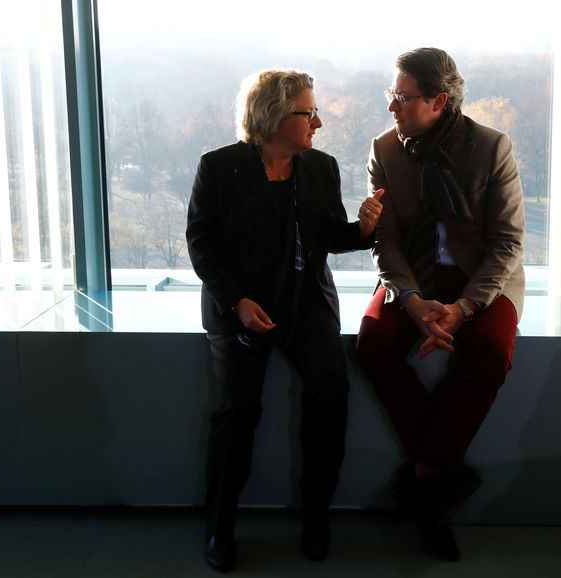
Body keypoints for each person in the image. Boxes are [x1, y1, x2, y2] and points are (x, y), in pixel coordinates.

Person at [186, 69, 383, 572]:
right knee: (237, 413)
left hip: (305, 302)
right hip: (240, 307)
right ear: (273, 115)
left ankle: (317, 517)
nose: (318, 121)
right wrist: (237, 303)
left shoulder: (320, 167)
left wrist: (362, 230)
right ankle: (220, 528)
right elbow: (202, 245)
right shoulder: (219, 167)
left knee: (330, 393)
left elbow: (328, 238)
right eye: (308, 112)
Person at [355, 47, 525, 562]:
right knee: (373, 344)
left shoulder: (491, 147)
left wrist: (466, 308)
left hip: (481, 280)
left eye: (401, 98)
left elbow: (508, 242)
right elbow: (385, 241)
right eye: (392, 95)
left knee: (490, 354)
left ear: (439, 101)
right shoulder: (385, 149)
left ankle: (427, 477)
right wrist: (408, 300)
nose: (392, 108)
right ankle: (443, 479)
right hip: (412, 277)